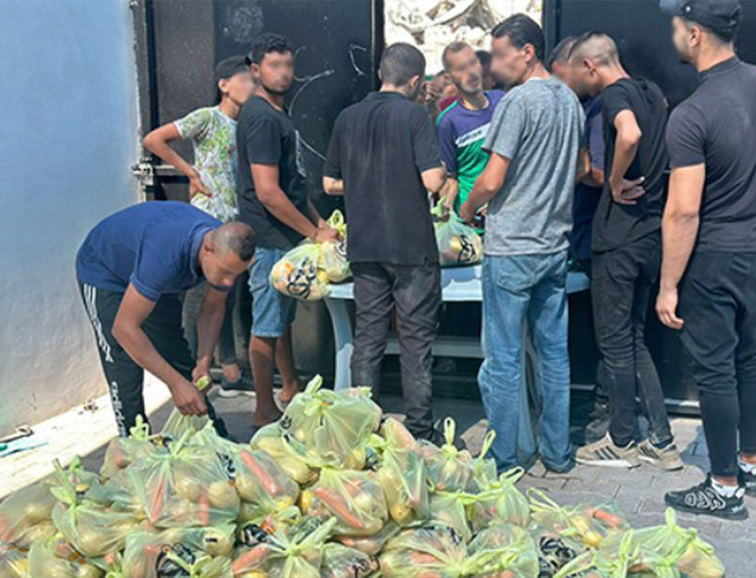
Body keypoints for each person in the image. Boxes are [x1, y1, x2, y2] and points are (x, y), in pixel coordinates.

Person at [460, 14, 585, 472]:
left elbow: (491, 178)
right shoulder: (570, 101)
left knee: (504, 359)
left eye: (499, 54)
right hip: (554, 246)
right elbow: (577, 169)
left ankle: (505, 457)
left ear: (527, 52)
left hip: (512, 246)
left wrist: (467, 209)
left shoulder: (516, 103)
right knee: (554, 354)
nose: (492, 65)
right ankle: (556, 453)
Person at [657, 0, 755, 520]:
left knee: (716, 370)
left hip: (713, 257)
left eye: (676, 25)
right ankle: (750, 462)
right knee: (752, 362)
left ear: (694, 34)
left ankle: (723, 487)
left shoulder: (692, 114)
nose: (671, 33)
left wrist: (668, 283)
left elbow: (683, 212)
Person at [567, 32, 682, 471]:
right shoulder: (653, 92)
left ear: (592, 67)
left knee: (615, 343)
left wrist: (613, 182)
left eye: (580, 73)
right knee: (634, 339)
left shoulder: (616, 96)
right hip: (651, 233)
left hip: (618, 237)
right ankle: (662, 441)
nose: (581, 82)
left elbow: (628, 134)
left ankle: (620, 441)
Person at [323, 43, 447, 441]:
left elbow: (329, 184)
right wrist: (443, 174)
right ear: (414, 81)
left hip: (365, 245)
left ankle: (364, 428)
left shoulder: (347, 117)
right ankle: (421, 430)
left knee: (369, 336)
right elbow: (431, 181)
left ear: (381, 73)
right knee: (415, 340)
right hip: (412, 247)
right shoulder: (414, 116)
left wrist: (367, 182)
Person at [76, 201, 256, 437]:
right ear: (208, 248)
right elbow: (124, 328)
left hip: (149, 272)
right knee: (123, 362)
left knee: (178, 355)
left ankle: (211, 436)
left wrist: (203, 362)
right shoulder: (164, 255)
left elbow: (212, 308)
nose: (229, 283)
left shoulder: (223, 246)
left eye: (236, 275)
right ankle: (134, 445)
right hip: (105, 272)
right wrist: (175, 384)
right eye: (224, 272)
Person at [238, 33, 339, 428]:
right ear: (255, 70)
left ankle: (290, 385)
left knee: (279, 320)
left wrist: (318, 223)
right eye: (274, 65)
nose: (283, 73)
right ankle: (263, 409)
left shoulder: (276, 113)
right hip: (268, 239)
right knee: (266, 324)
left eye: (288, 65)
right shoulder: (261, 116)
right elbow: (268, 193)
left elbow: (292, 186)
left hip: (285, 235)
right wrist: (313, 235)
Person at [143, 56, 255, 397]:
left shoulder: (247, 125)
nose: (251, 86)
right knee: (196, 303)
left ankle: (231, 370)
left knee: (226, 298)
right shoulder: (207, 118)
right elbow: (154, 140)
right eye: (245, 79)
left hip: (233, 225)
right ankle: (187, 374)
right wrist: (189, 171)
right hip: (205, 226)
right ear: (224, 84)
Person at [550, 36, 610, 444]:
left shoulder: (599, 108)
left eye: (560, 77)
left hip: (599, 232)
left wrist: (567, 172)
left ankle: (609, 419)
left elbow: (599, 173)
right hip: (586, 233)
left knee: (612, 334)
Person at [437, 41, 504, 220]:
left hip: (505, 214)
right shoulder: (447, 122)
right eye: (461, 68)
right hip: (470, 222)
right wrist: (448, 210)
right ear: (450, 77)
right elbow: (451, 177)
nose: (471, 73)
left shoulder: (503, 102)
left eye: (473, 63)